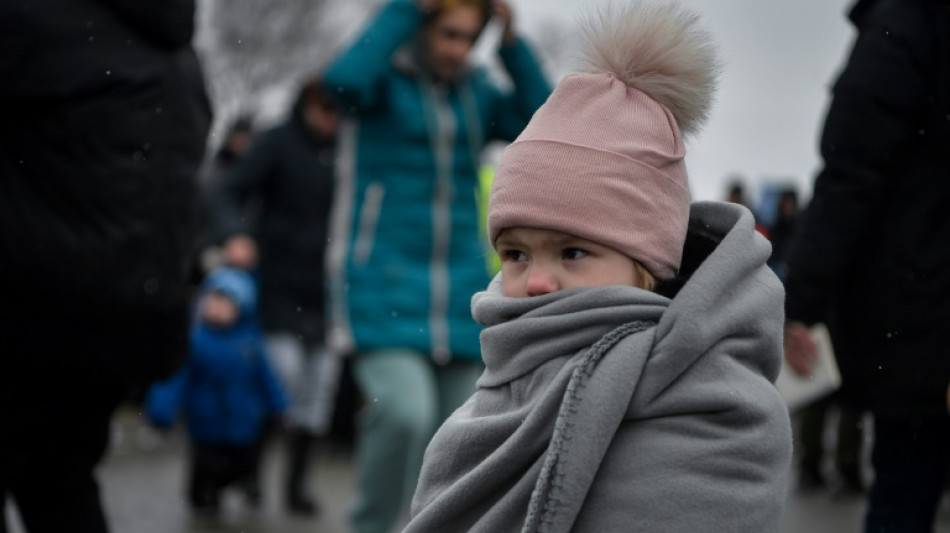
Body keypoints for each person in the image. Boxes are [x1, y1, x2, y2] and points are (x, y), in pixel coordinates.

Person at [404, 2, 792, 531]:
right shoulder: (501, 384)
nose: (536, 282)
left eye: (573, 252)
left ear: (647, 263)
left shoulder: (716, 407)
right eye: (515, 254)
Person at [322, 0, 551, 531]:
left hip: (458, 291)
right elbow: (340, 81)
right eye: (448, 34)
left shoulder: (477, 93)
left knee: (462, 441)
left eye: (469, 39)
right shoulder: (380, 85)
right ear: (422, 26)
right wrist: (404, 7)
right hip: (382, 283)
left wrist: (511, 41)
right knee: (404, 412)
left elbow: (543, 121)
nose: (457, 50)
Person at [0, 1, 211, 531]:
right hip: (123, 319)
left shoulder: (35, 21)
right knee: (61, 479)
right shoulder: (179, 53)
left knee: (53, 474)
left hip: (35, 311)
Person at [782, 0, 950, 531]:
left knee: (903, 494)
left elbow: (850, 175)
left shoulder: (904, 24)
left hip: (924, 318)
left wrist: (798, 304)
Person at [209, 78, 341, 515]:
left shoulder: (350, 151)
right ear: (307, 103)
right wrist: (235, 234)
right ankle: (250, 477)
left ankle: (296, 487)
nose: (331, 120)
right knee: (279, 379)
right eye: (325, 109)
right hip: (278, 287)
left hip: (329, 293)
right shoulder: (276, 143)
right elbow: (227, 188)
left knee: (317, 393)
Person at [144, 268, 288, 513]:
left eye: (226, 302)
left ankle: (236, 486)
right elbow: (176, 379)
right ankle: (202, 497)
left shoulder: (251, 343)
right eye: (213, 300)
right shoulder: (195, 341)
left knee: (243, 464)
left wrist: (279, 405)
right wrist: (162, 408)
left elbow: (266, 379)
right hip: (205, 426)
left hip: (243, 424)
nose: (217, 307)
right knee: (205, 472)